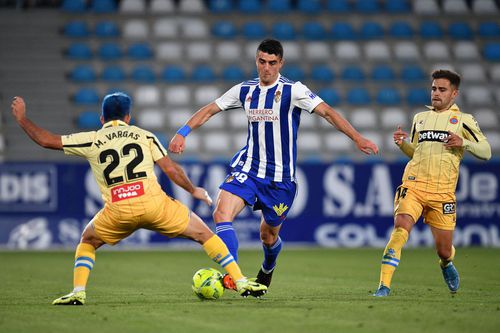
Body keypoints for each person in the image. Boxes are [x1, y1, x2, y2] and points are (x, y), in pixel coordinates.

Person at [11, 92, 267, 305]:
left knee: (87, 240)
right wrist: (193, 191)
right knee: (205, 234)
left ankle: (78, 292)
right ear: (128, 117)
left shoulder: (93, 139)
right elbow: (171, 170)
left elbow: (46, 141)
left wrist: (22, 119)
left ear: (102, 118)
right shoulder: (144, 135)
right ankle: (241, 280)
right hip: (155, 205)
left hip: (118, 211)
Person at [169, 39, 379, 291]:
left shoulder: (294, 90)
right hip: (248, 169)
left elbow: (328, 113)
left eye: (272, 63)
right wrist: (182, 132)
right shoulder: (244, 90)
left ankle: (268, 267)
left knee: (268, 237)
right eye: (261, 62)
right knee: (221, 214)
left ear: (281, 63)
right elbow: (210, 109)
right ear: (256, 61)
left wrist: (357, 137)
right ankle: (235, 276)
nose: (266, 68)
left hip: (280, 181)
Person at [373, 69, 491, 297]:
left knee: (444, 250)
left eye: (442, 89)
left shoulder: (464, 121)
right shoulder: (420, 118)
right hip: (414, 185)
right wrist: (403, 144)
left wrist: (463, 142)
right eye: (433, 88)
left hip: (442, 193)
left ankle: (446, 264)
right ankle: (384, 286)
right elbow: (417, 152)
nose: (436, 93)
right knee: (400, 229)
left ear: (454, 93)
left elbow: (486, 151)